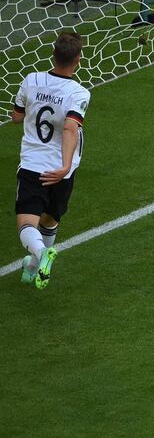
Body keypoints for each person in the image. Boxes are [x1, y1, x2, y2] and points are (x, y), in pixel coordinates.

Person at [11, 31, 91, 289]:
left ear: (53, 54)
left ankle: (39, 257)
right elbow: (70, 127)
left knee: (26, 224)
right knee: (50, 220)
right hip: (62, 170)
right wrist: (65, 166)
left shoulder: (31, 80)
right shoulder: (79, 92)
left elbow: (16, 116)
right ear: (78, 59)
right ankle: (35, 265)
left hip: (34, 166)